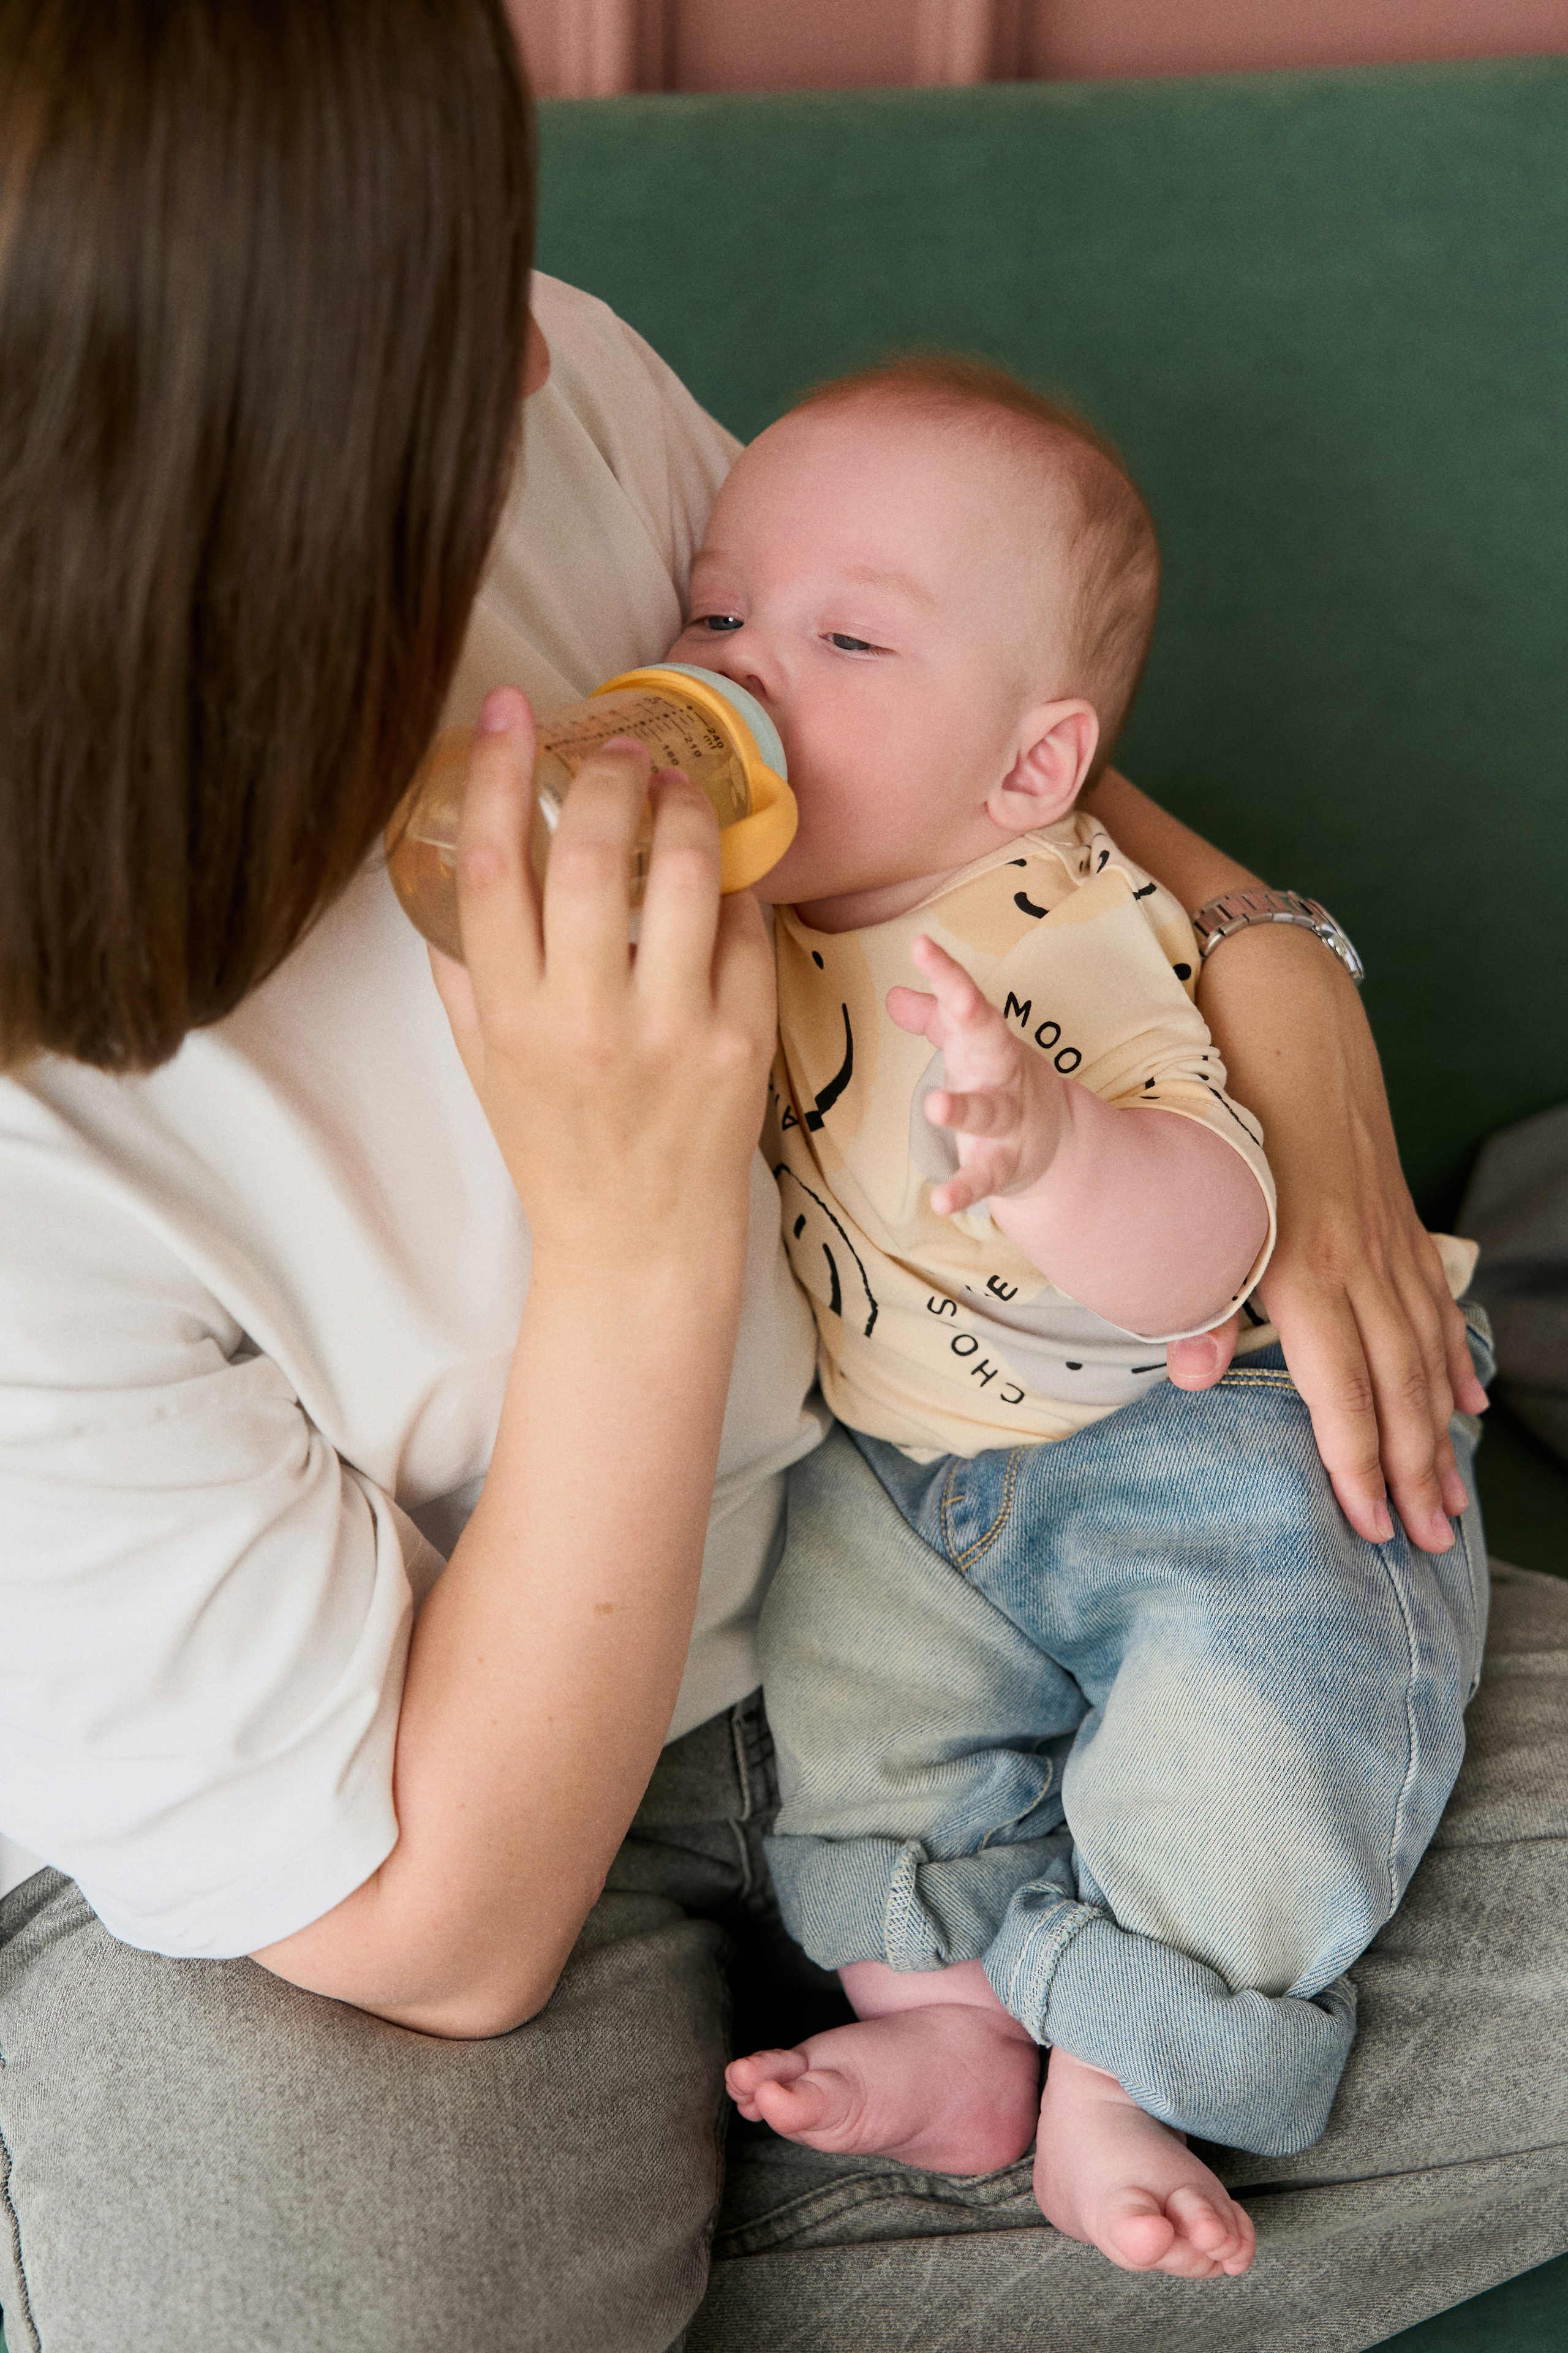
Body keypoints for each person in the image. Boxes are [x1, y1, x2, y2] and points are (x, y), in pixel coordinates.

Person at [0, 7, 1557, 2352]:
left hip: (983, 1532)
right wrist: (631, 1230)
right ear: (209, 493)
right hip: (413, 1844)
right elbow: (437, 1932)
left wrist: (1287, 1009)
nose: (536, 369)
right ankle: (1042, 2089)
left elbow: (968, 719)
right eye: (441, 334)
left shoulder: (554, 393)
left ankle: (904, 2101)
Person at [669, 360, 1487, 2277]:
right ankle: (948, 2027)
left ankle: (1135, 2063)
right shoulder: (749, 910)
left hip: (1205, 1432)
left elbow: (1214, 1244)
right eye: (714, 610)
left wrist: (1054, 1154)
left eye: (848, 636)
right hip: (909, 1465)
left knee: (1261, 1703)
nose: (744, 668)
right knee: (859, 1710)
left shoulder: (1056, 923)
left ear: (1033, 768)